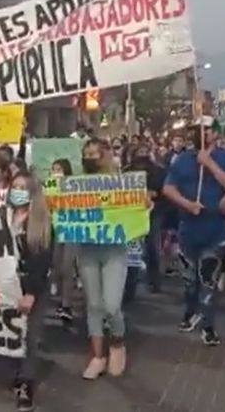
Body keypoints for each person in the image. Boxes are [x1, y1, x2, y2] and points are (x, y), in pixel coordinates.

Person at [163, 116, 225, 347]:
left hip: (216, 229)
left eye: (206, 130)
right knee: (190, 280)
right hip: (187, 229)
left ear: (215, 133)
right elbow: (168, 187)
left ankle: (209, 325)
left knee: (208, 279)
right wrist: (186, 204)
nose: (201, 135)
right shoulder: (182, 159)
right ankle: (190, 310)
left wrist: (211, 166)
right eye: (197, 130)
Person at [78, 138, 128, 379]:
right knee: (94, 305)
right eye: (86, 154)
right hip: (87, 248)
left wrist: (145, 203)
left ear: (105, 155)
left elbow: (136, 207)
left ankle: (117, 344)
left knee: (111, 304)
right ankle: (98, 357)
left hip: (114, 249)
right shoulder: (75, 184)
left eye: (94, 154)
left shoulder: (121, 180)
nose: (90, 158)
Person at [7, 170, 53, 411]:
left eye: (23, 188)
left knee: (30, 337)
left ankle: (27, 383)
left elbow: (42, 263)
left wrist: (31, 294)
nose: (18, 192)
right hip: (7, 286)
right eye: (15, 186)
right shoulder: (1, 217)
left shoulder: (42, 223)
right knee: (13, 334)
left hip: (32, 287)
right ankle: (18, 372)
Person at [125, 142, 166, 293]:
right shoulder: (126, 172)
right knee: (133, 249)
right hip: (132, 214)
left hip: (154, 213)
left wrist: (155, 194)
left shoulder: (159, 171)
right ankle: (131, 283)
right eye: (139, 151)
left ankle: (154, 280)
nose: (142, 154)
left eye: (145, 151)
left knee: (152, 248)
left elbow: (166, 190)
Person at [49, 159, 77, 322]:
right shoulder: (48, 189)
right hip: (54, 232)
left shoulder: (75, 189)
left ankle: (67, 304)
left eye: (59, 169)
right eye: (53, 169)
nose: (56, 173)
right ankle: (59, 296)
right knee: (56, 265)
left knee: (67, 267)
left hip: (71, 231)